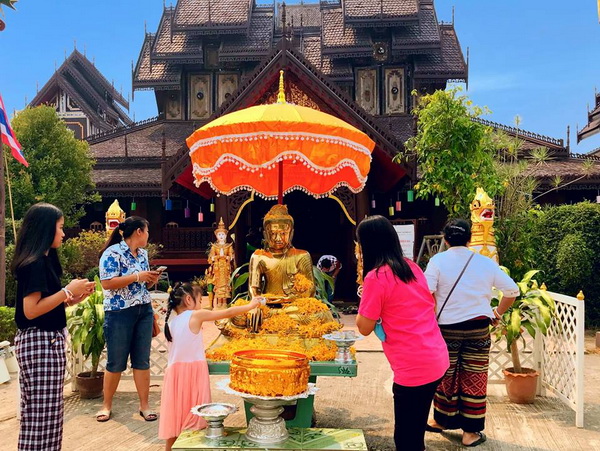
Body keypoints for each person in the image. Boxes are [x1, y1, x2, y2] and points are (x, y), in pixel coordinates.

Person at [355, 215, 449, 451]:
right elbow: (429, 305)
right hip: (436, 356)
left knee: (406, 438)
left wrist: (365, 300)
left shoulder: (376, 278)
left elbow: (364, 327)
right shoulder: (412, 267)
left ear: (367, 245)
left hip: (413, 366)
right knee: (414, 431)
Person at [424, 219, 519, 447]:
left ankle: (441, 421)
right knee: (474, 379)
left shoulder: (437, 260)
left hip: (446, 330)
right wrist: (496, 312)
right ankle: (470, 433)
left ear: (445, 240)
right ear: (469, 239)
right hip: (477, 329)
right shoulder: (485, 263)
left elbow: (427, 293)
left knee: (445, 377)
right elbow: (512, 291)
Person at [13, 203, 95, 451]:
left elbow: (43, 306)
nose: (63, 233)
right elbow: (31, 310)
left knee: (47, 414)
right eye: (59, 228)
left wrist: (70, 298)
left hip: (45, 341)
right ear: (45, 229)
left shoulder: (44, 260)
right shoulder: (35, 262)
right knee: (42, 416)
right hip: (40, 344)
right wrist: (67, 291)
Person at [158, 283, 260, 450]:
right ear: (189, 299)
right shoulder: (195, 315)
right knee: (198, 416)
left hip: (174, 374)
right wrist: (250, 305)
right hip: (193, 372)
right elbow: (226, 313)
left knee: (175, 420)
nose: (200, 305)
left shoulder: (170, 322)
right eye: (199, 300)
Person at [96, 216, 161, 422]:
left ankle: (145, 405)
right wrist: (137, 276)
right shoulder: (112, 253)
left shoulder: (143, 254)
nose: (148, 236)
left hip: (143, 310)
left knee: (142, 360)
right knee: (115, 361)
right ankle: (106, 405)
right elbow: (106, 283)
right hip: (119, 312)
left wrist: (150, 279)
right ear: (139, 232)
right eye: (147, 231)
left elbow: (143, 285)